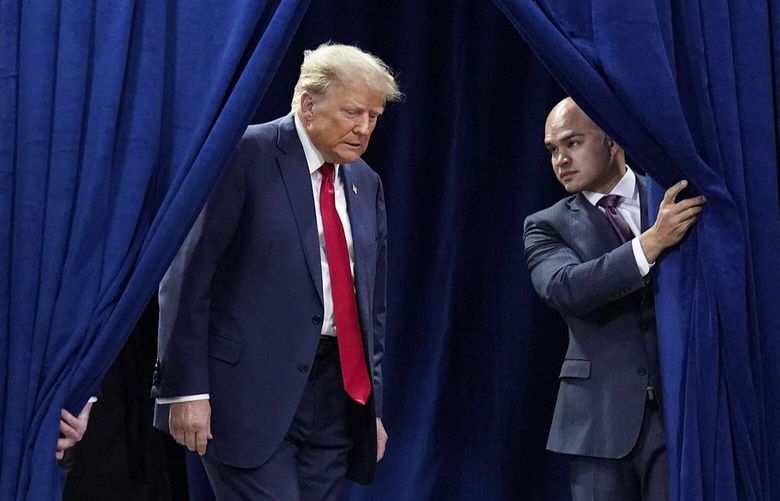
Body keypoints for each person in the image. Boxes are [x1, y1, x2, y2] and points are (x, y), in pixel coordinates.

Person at [151, 43, 401, 500]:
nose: (364, 129)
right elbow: (188, 274)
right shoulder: (244, 153)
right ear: (308, 104)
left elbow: (372, 310)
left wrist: (372, 410)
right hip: (247, 396)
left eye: (374, 117)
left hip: (336, 400)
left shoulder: (366, 182)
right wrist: (183, 390)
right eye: (352, 112)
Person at [523, 97, 706, 500]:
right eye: (553, 149)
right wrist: (650, 244)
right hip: (596, 426)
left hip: (681, 415)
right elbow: (565, 288)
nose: (560, 160)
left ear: (612, 140)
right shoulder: (544, 225)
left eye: (572, 143)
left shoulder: (667, 199)